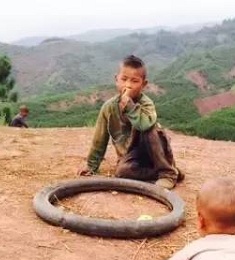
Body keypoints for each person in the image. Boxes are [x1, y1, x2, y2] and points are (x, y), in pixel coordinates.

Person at [77, 55, 183, 190]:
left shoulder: (146, 104)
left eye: (134, 81)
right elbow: (100, 139)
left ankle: (167, 173)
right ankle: (162, 173)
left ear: (143, 84)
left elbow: (144, 125)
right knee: (121, 173)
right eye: (124, 79)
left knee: (150, 129)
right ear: (116, 80)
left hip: (153, 153)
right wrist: (91, 165)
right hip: (131, 157)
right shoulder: (108, 108)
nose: (128, 85)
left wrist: (131, 108)